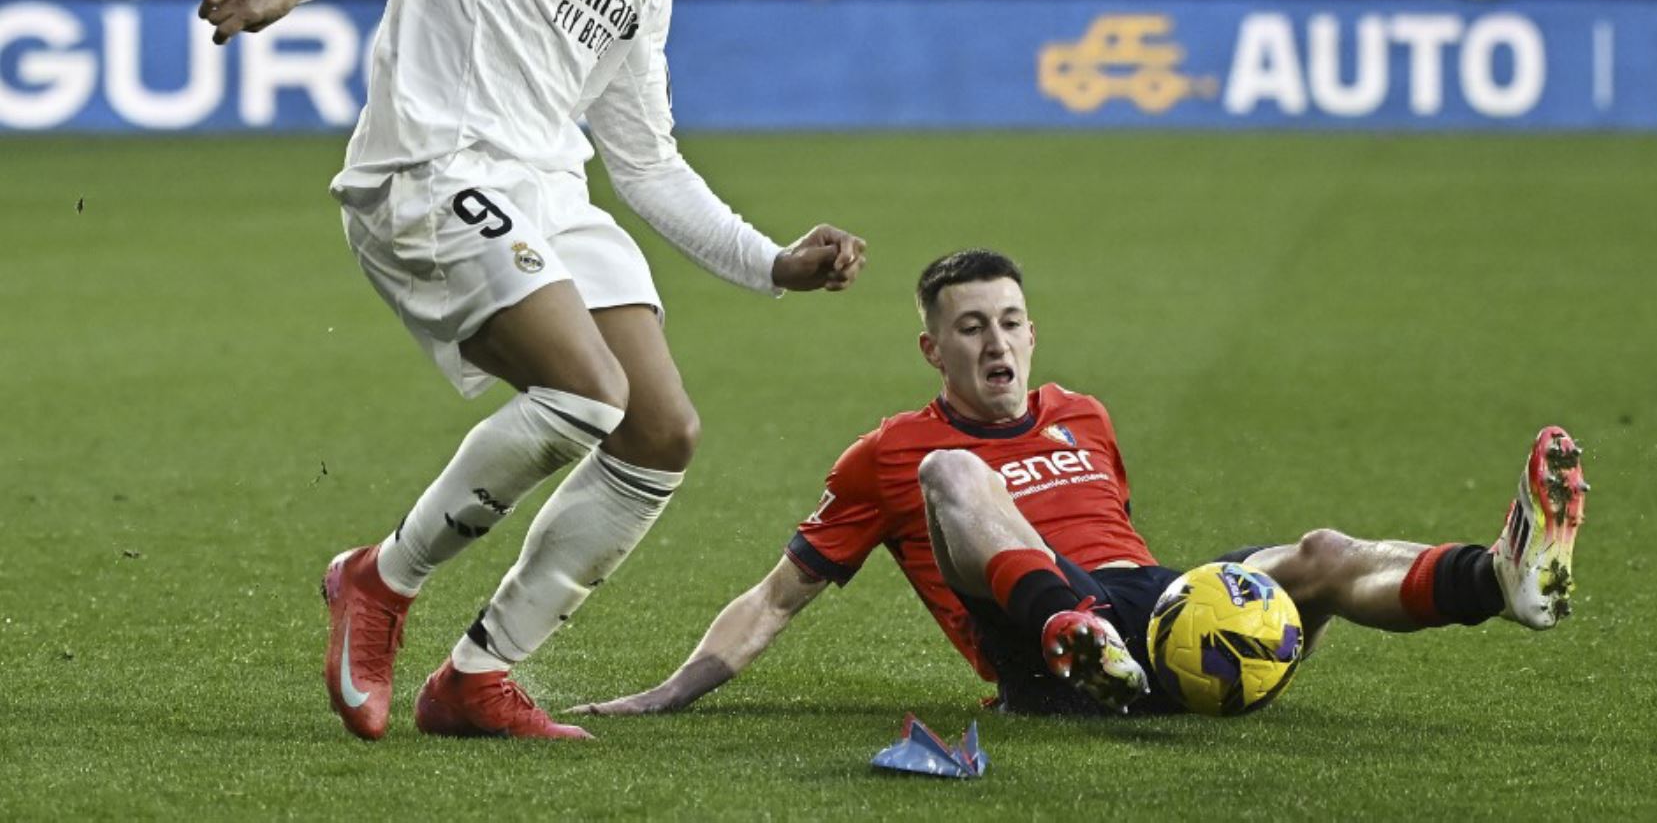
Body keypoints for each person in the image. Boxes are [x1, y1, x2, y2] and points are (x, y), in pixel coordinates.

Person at [193, 0, 869, 743]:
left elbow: (647, 163)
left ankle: (477, 674)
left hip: (552, 192)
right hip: (433, 168)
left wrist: (771, 262)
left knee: (659, 431)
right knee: (585, 393)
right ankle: (379, 581)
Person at [573, 250, 1588, 719]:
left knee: (1318, 555)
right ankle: (1075, 632)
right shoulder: (891, 452)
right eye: (971, 328)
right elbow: (774, 598)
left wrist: (1165, 607)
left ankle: (1498, 579)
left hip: (1148, 611)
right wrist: (668, 693)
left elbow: (1123, 538)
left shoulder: (1084, 414)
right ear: (933, 348)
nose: (997, 343)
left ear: (1032, 332)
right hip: (1037, 646)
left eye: (1011, 321)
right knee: (953, 470)